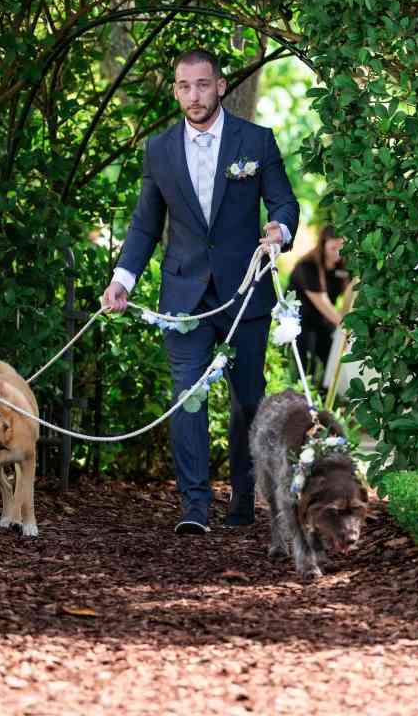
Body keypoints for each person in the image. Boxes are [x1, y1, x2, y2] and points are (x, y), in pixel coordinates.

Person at [101, 48, 299, 535]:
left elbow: (285, 202)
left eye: (203, 85)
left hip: (245, 294)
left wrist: (279, 231)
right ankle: (194, 505)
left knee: (247, 401)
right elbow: (146, 226)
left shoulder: (256, 140)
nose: (194, 95)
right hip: (184, 297)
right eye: (185, 87)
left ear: (221, 85)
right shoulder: (160, 149)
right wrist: (122, 281)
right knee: (187, 397)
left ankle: (242, 501)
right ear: (175, 90)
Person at [288, 226, 349, 383]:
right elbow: (323, 304)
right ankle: (302, 396)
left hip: (323, 321)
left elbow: (351, 294)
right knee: (307, 365)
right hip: (301, 322)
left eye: (342, 247)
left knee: (331, 360)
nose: (338, 252)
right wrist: (348, 327)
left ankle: (324, 395)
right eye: (333, 248)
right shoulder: (307, 266)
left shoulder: (342, 266)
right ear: (323, 245)